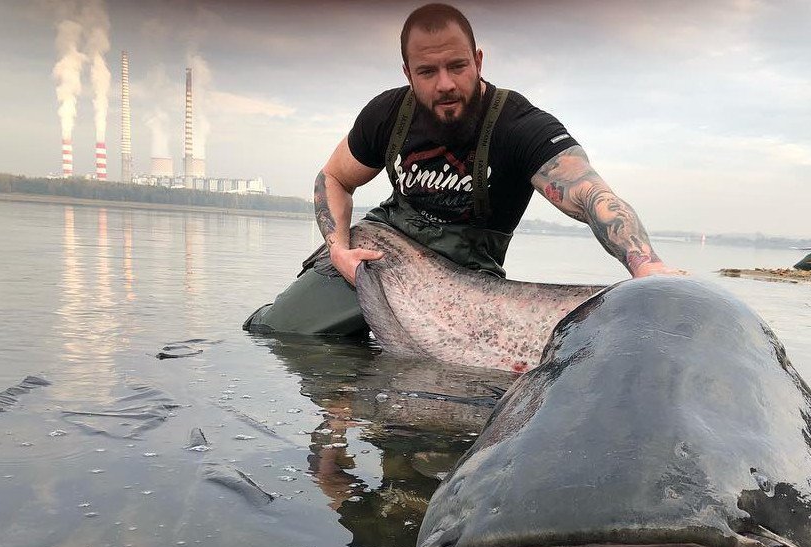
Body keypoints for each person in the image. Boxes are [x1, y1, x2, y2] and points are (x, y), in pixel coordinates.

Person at [244, 3, 681, 336]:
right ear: (408, 73)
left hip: (464, 285)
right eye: (427, 72)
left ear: (478, 60)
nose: (445, 84)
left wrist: (645, 265)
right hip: (375, 261)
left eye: (457, 66)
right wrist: (338, 248)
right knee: (277, 332)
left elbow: (588, 193)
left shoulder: (519, 125)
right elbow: (333, 178)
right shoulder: (386, 113)